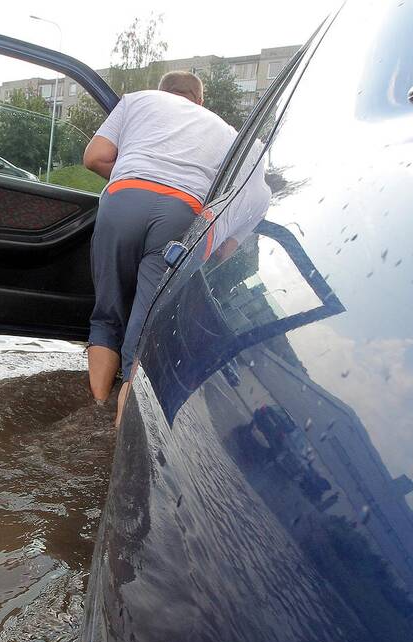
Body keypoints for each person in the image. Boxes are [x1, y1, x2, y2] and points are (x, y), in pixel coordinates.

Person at [82, 71, 237, 424]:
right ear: (199, 100)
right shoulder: (225, 131)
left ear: (162, 92)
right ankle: (121, 433)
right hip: (181, 214)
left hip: (123, 200)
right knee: (144, 328)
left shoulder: (138, 100)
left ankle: (95, 411)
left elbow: (95, 157)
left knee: (107, 316)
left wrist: (134, 179)